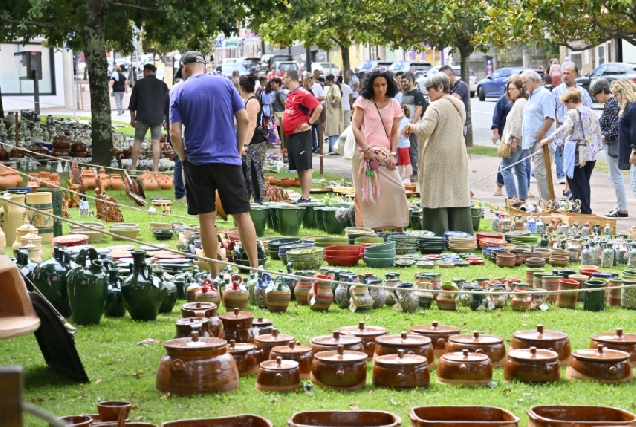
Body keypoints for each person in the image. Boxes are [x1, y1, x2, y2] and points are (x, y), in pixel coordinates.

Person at [169, 51, 258, 277]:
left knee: (206, 218)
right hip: (228, 159)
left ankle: (214, 275)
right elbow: (244, 119)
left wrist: (183, 158)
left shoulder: (178, 90)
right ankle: (255, 270)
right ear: (204, 67)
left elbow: (174, 134)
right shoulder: (226, 83)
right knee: (242, 214)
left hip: (197, 162)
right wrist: (236, 151)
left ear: (184, 68)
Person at [403, 72, 472, 236]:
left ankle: (437, 234)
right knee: (456, 193)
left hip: (438, 157)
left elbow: (424, 130)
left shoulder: (435, 106)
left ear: (441, 87)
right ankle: (460, 234)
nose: (427, 92)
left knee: (437, 193)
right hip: (457, 154)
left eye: (429, 89)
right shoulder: (459, 103)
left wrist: (411, 127)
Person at [351, 71, 408, 230]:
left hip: (385, 155)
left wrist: (392, 153)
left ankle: (399, 227)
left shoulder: (394, 104)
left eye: (383, 84)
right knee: (368, 194)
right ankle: (371, 229)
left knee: (397, 189)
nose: (380, 88)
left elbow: (394, 131)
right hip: (364, 154)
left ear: (389, 84)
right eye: (376, 85)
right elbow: (355, 128)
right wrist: (366, 149)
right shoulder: (363, 102)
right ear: (370, 85)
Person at [540, 88, 602, 214]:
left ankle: (583, 210)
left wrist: (549, 139)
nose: (567, 107)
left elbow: (565, 128)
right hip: (591, 153)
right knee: (584, 182)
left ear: (572, 101)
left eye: (567, 104)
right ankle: (585, 207)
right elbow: (597, 132)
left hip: (578, 152)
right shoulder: (591, 112)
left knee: (576, 182)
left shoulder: (572, 113)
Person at [282, 70, 323, 203]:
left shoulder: (303, 93)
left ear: (289, 78)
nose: (282, 80)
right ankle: (303, 195)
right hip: (292, 135)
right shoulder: (290, 94)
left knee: (305, 166)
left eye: (284, 78)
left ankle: (306, 197)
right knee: (299, 167)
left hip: (301, 135)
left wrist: (310, 122)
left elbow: (318, 107)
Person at [552, 63, 594, 194]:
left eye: (568, 73)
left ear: (575, 74)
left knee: (575, 161)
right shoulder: (557, 91)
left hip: (578, 133)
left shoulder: (583, 92)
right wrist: (557, 125)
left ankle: (573, 188)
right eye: (563, 73)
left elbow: (588, 111)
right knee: (564, 158)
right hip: (562, 128)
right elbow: (552, 109)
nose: (565, 76)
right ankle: (568, 186)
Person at [590, 79, 628, 219]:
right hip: (611, 144)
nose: (595, 98)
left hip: (613, 145)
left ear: (601, 92)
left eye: (595, 95)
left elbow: (616, 127)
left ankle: (622, 208)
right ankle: (620, 206)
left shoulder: (611, 106)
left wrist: (604, 137)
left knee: (616, 176)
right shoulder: (610, 105)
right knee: (613, 176)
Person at [521, 70, 556, 202]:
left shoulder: (544, 95)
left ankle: (549, 203)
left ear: (533, 81)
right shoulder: (532, 96)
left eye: (525, 82)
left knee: (541, 173)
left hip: (543, 142)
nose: (523, 85)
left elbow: (550, 118)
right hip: (533, 142)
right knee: (540, 173)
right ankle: (547, 202)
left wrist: (541, 136)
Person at [129, 63, 168, 172]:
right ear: (154, 72)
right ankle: (155, 170)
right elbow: (166, 104)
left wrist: (132, 118)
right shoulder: (162, 85)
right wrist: (166, 120)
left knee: (138, 141)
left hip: (142, 117)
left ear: (145, 71)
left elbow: (133, 103)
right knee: (156, 142)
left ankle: (133, 168)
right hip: (157, 118)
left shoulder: (139, 83)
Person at [500, 77, 530, 207]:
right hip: (525, 141)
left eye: (512, 89)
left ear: (520, 89)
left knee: (505, 168)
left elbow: (517, 124)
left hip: (517, 141)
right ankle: (523, 197)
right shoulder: (525, 102)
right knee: (520, 169)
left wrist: (513, 140)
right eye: (508, 89)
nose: (509, 91)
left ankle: (512, 196)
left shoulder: (519, 104)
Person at [238, 74, 267, 204]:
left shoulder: (252, 102)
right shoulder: (246, 101)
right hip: (249, 142)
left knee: (255, 173)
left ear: (241, 87)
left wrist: (245, 144)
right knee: (246, 173)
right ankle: (247, 201)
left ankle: (259, 201)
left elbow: (252, 125)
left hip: (255, 142)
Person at [611, 80, 636, 200]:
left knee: (635, 185)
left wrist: (634, 150)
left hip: (633, 150)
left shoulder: (632, 107)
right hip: (631, 149)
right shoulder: (629, 108)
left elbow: (634, 130)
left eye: (616, 95)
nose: (616, 99)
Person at [400, 72, 427, 182]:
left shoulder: (417, 94)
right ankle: (411, 171)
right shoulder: (405, 94)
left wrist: (412, 125)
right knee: (408, 149)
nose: (402, 84)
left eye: (405, 81)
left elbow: (419, 110)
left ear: (411, 81)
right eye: (402, 81)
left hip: (414, 127)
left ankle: (416, 173)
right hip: (406, 126)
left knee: (415, 150)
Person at [164, 68, 186, 203]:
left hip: (179, 131)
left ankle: (180, 192)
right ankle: (180, 192)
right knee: (181, 162)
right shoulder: (178, 90)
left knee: (180, 162)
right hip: (182, 132)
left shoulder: (173, 90)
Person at [491, 93, 512, 196]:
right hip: (505, 135)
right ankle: (499, 185)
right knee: (506, 160)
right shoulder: (503, 99)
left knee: (524, 164)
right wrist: (496, 133)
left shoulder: (523, 99)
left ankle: (525, 189)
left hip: (521, 136)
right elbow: (496, 116)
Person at [324, 74, 344, 154]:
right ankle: (332, 149)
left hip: (334, 113)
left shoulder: (335, 87)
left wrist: (334, 103)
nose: (325, 82)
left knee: (334, 131)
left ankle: (335, 149)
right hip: (331, 113)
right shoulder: (331, 87)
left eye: (326, 80)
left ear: (329, 80)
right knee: (332, 131)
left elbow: (338, 97)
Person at [397, 106, 412, 182]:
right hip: (400, 145)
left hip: (404, 145)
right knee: (400, 162)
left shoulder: (404, 121)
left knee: (407, 162)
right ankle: (399, 177)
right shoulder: (401, 120)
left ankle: (407, 178)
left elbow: (399, 132)